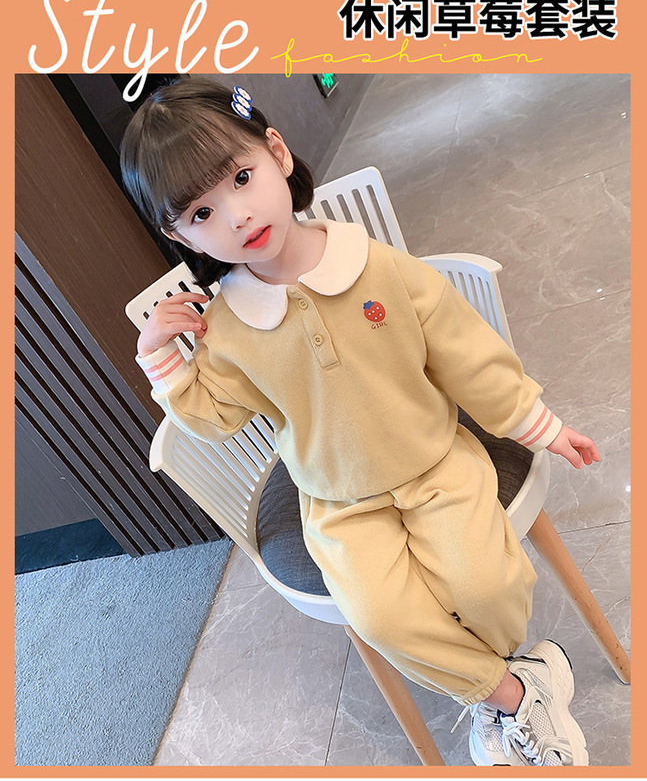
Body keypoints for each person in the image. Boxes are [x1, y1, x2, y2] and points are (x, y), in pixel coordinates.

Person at [121, 77, 600, 767]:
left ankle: (502, 685)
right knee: (379, 616)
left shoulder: (377, 267)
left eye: (241, 178)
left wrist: (540, 426)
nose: (236, 216)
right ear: (178, 233)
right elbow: (215, 418)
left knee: (486, 587)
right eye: (200, 213)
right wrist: (161, 360)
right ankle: (514, 693)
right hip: (337, 501)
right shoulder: (226, 329)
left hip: (436, 461)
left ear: (276, 152)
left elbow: (466, 354)